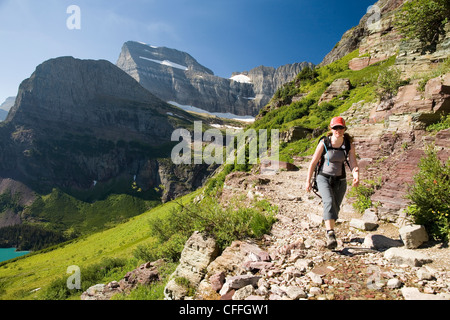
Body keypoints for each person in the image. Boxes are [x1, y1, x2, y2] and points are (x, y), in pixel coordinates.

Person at [305, 116, 359, 249]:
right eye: (335, 127)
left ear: (344, 128)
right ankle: (330, 234)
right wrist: (308, 181)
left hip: (340, 179)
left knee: (335, 207)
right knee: (328, 202)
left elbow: (352, 161)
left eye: (340, 127)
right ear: (331, 129)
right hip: (323, 177)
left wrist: (356, 174)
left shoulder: (348, 144)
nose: (338, 130)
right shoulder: (324, 142)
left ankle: (329, 227)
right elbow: (313, 163)